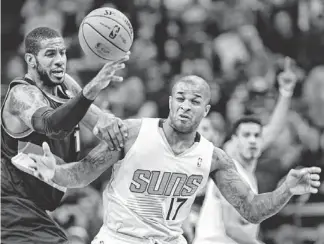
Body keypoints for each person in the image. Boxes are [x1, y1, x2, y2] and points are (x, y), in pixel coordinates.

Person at [30, 75, 321, 244]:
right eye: (180, 98)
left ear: (205, 111)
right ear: (170, 102)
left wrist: (286, 190)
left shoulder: (213, 157)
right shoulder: (133, 133)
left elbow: (251, 210)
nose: (185, 106)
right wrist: (53, 171)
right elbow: (82, 174)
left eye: (195, 102)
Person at [1, 26, 129, 244]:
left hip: (35, 209)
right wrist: (92, 88)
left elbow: (97, 120)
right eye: (50, 54)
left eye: (63, 52)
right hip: (10, 207)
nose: (60, 60)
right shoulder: (20, 94)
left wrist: (116, 125)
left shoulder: (66, 86)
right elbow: (53, 125)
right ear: (31, 60)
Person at [193, 57, 299, 244]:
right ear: (233, 141)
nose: (252, 141)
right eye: (246, 136)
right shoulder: (228, 166)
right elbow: (232, 228)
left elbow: (273, 128)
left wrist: (286, 91)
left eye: (256, 136)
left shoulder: (247, 174)